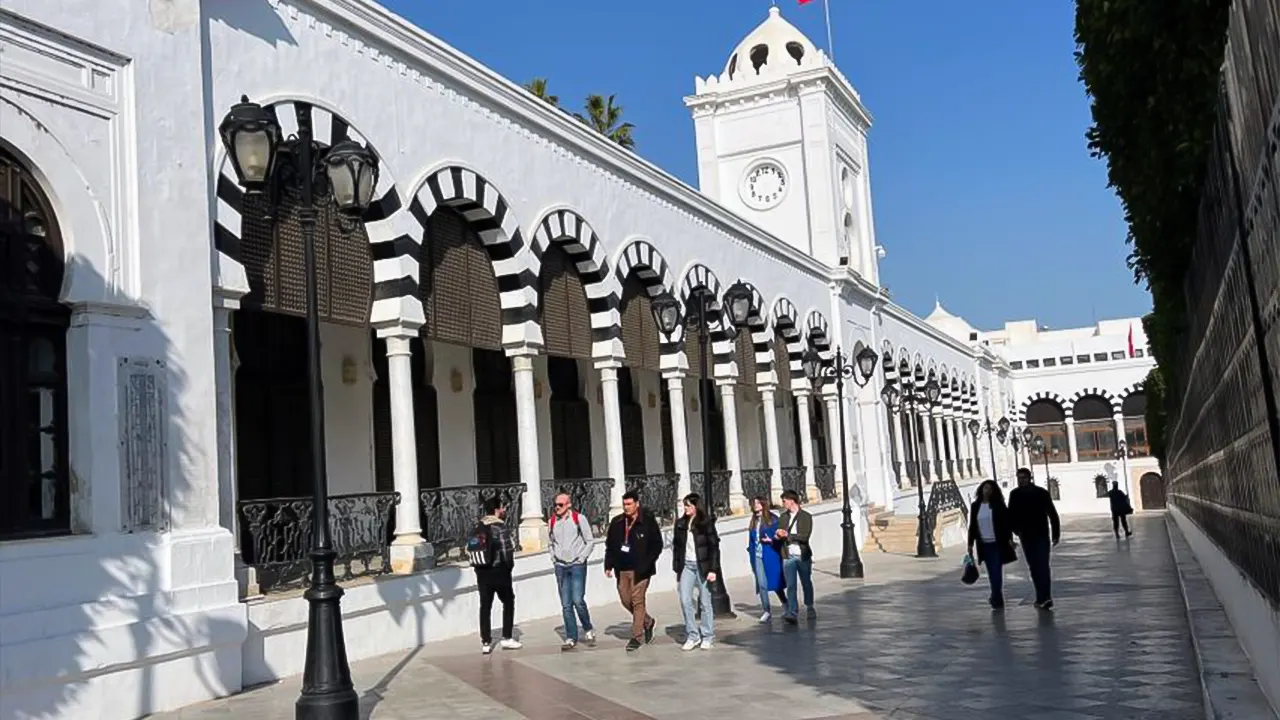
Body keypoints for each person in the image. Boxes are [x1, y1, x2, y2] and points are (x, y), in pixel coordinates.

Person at [604, 490, 663, 651]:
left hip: (641, 570)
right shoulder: (617, 522)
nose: (626, 507)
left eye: (629, 504)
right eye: (624, 504)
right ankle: (647, 621)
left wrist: (648, 561)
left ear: (637, 504)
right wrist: (608, 565)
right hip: (621, 569)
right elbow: (610, 545)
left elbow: (657, 544)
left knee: (638, 600)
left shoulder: (648, 521)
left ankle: (636, 637)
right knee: (625, 599)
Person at [470, 496, 521, 654]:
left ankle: (486, 641)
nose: (504, 510)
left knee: (485, 605)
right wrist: (509, 567)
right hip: (499, 571)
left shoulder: (479, 525)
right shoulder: (500, 526)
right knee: (508, 601)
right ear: (497, 510)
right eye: (502, 507)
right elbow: (507, 551)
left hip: (481, 572)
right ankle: (507, 637)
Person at [672, 493, 720, 650]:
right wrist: (677, 569)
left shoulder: (705, 523)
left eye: (689, 505)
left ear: (696, 506)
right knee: (685, 599)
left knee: (705, 602)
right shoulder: (680, 524)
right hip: (687, 565)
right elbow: (677, 548)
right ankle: (693, 635)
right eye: (685, 505)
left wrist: (713, 569)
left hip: (703, 566)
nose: (686, 508)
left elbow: (713, 547)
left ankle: (707, 635)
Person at [1008, 467, 1061, 610]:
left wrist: (1056, 534)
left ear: (1029, 478)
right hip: (1028, 536)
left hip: (1040, 535)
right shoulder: (1015, 494)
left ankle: (1045, 597)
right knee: (1036, 567)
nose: (1021, 481)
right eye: (1019, 478)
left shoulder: (1040, 493)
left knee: (1041, 566)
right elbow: (1011, 516)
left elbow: (1052, 513)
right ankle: (1042, 596)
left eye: (1023, 478)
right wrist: (1014, 532)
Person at [548, 492, 596, 650]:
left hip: (576, 565)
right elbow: (550, 542)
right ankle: (571, 637)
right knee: (566, 604)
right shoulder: (552, 521)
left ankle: (588, 627)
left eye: (560, 505)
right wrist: (554, 558)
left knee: (578, 600)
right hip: (561, 566)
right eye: (555, 504)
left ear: (568, 505)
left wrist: (582, 558)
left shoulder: (578, 519)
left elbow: (589, 541)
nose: (557, 507)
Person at [967, 480, 1017, 610]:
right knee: (992, 573)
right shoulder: (975, 506)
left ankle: (996, 598)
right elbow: (972, 526)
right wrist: (970, 544)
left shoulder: (998, 506)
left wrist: (1010, 539)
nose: (987, 491)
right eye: (985, 488)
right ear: (981, 490)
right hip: (983, 544)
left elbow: (1006, 524)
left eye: (990, 489)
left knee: (996, 572)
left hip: (997, 543)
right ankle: (996, 597)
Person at [775, 489, 815, 624]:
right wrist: (778, 535)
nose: (783, 503)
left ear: (792, 501)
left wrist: (789, 536)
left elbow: (805, 536)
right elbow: (780, 532)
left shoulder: (806, 517)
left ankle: (810, 606)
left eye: (784, 501)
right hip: (788, 555)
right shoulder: (783, 517)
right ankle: (792, 611)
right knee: (791, 585)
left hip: (802, 555)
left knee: (806, 582)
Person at [747, 496, 786, 622]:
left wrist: (772, 540)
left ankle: (785, 603)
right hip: (758, 555)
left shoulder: (773, 520)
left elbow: (780, 536)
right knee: (762, 583)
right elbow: (751, 539)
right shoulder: (754, 521)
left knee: (775, 583)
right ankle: (766, 610)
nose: (755, 505)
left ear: (764, 505)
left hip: (771, 554)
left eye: (758, 503)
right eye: (754, 503)